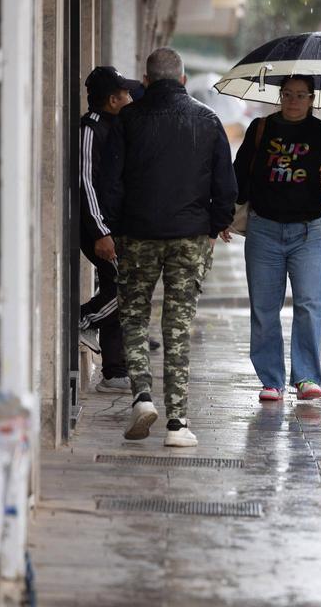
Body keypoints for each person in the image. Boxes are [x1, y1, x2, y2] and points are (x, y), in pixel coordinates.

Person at [100, 47, 237, 447]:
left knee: (134, 318)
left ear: (145, 81)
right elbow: (225, 188)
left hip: (137, 235)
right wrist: (213, 227)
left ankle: (142, 395)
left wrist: (118, 226)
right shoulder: (208, 121)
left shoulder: (128, 120)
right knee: (177, 328)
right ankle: (177, 423)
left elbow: (110, 183)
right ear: (181, 80)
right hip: (189, 236)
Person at [232, 74, 321, 403]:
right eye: (288, 94)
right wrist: (225, 212)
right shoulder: (261, 128)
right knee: (264, 308)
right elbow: (240, 172)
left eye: (301, 95)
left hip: (308, 232)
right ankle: (271, 380)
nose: (293, 100)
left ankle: (306, 376)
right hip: (264, 230)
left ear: (312, 99)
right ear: (280, 96)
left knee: (308, 304)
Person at [79, 66, 143, 393]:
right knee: (127, 290)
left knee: (117, 287)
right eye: (126, 93)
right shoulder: (90, 129)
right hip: (99, 229)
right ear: (113, 99)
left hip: (115, 226)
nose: (131, 97)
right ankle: (83, 320)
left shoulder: (116, 125)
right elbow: (86, 184)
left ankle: (114, 371)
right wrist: (101, 232)